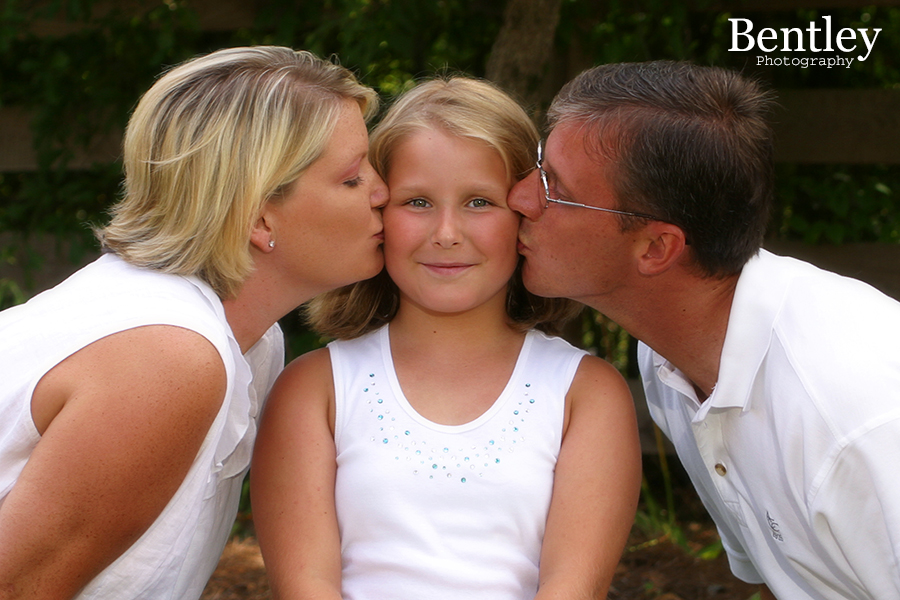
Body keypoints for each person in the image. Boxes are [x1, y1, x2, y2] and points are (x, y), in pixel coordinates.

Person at [0, 46, 389, 599]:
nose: (383, 193)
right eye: (352, 178)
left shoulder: (252, 342)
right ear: (258, 217)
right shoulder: (167, 357)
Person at [507, 60, 900, 600]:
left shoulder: (851, 420)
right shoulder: (670, 361)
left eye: (556, 187)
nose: (520, 198)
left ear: (656, 248)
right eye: (537, 166)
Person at [251, 76, 642, 600]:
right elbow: (305, 586)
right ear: (378, 210)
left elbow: (574, 587)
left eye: (480, 202)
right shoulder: (315, 389)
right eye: (417, 202)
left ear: (526, 213)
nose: (446, 233)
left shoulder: (584, 393)